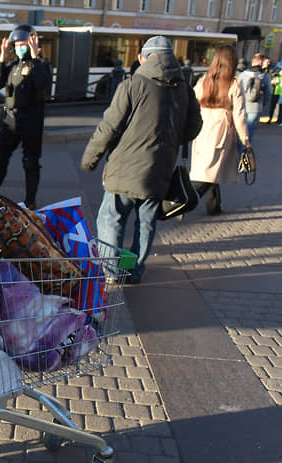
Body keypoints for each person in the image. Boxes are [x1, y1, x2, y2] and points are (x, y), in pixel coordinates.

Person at [81, 36, 202, 285]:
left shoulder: (132, 85)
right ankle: (132, 271)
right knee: (144, 225)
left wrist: (90, 159)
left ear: (141, 59)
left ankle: (112, 272)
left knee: (112, 221)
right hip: (160, 173)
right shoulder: (184, 90)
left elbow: (109, 127)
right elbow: (192, 129)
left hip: (124, 171)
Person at [0, 24, 53, 209]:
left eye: (24, 43)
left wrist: (35, 56)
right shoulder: (13, 65)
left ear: (34, 43)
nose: (19, 47)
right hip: (10, 119)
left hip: (31, 119)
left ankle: (30, 201)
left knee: (30, 161)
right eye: (17, 44)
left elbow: (41, 84)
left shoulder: (42, 64)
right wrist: (1, 58)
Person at [189, 44, 251, 216]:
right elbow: (240, 115)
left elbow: (192, 104)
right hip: (221, 131)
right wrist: (245, 140)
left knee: (211, 169)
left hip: (202, 129)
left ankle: (214, 206)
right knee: (210, 172)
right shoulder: (234, 84)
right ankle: (179, 203)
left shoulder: (203, 81)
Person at [237, 53, 272, 143]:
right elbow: (268, 93)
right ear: (260, 62)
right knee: (249, 131)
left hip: (240, 105)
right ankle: (244, 153)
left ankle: (237, 149)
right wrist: (263, 104)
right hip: (255, 106)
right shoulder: (264, 76)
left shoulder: (242, 74)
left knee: (239, 128)